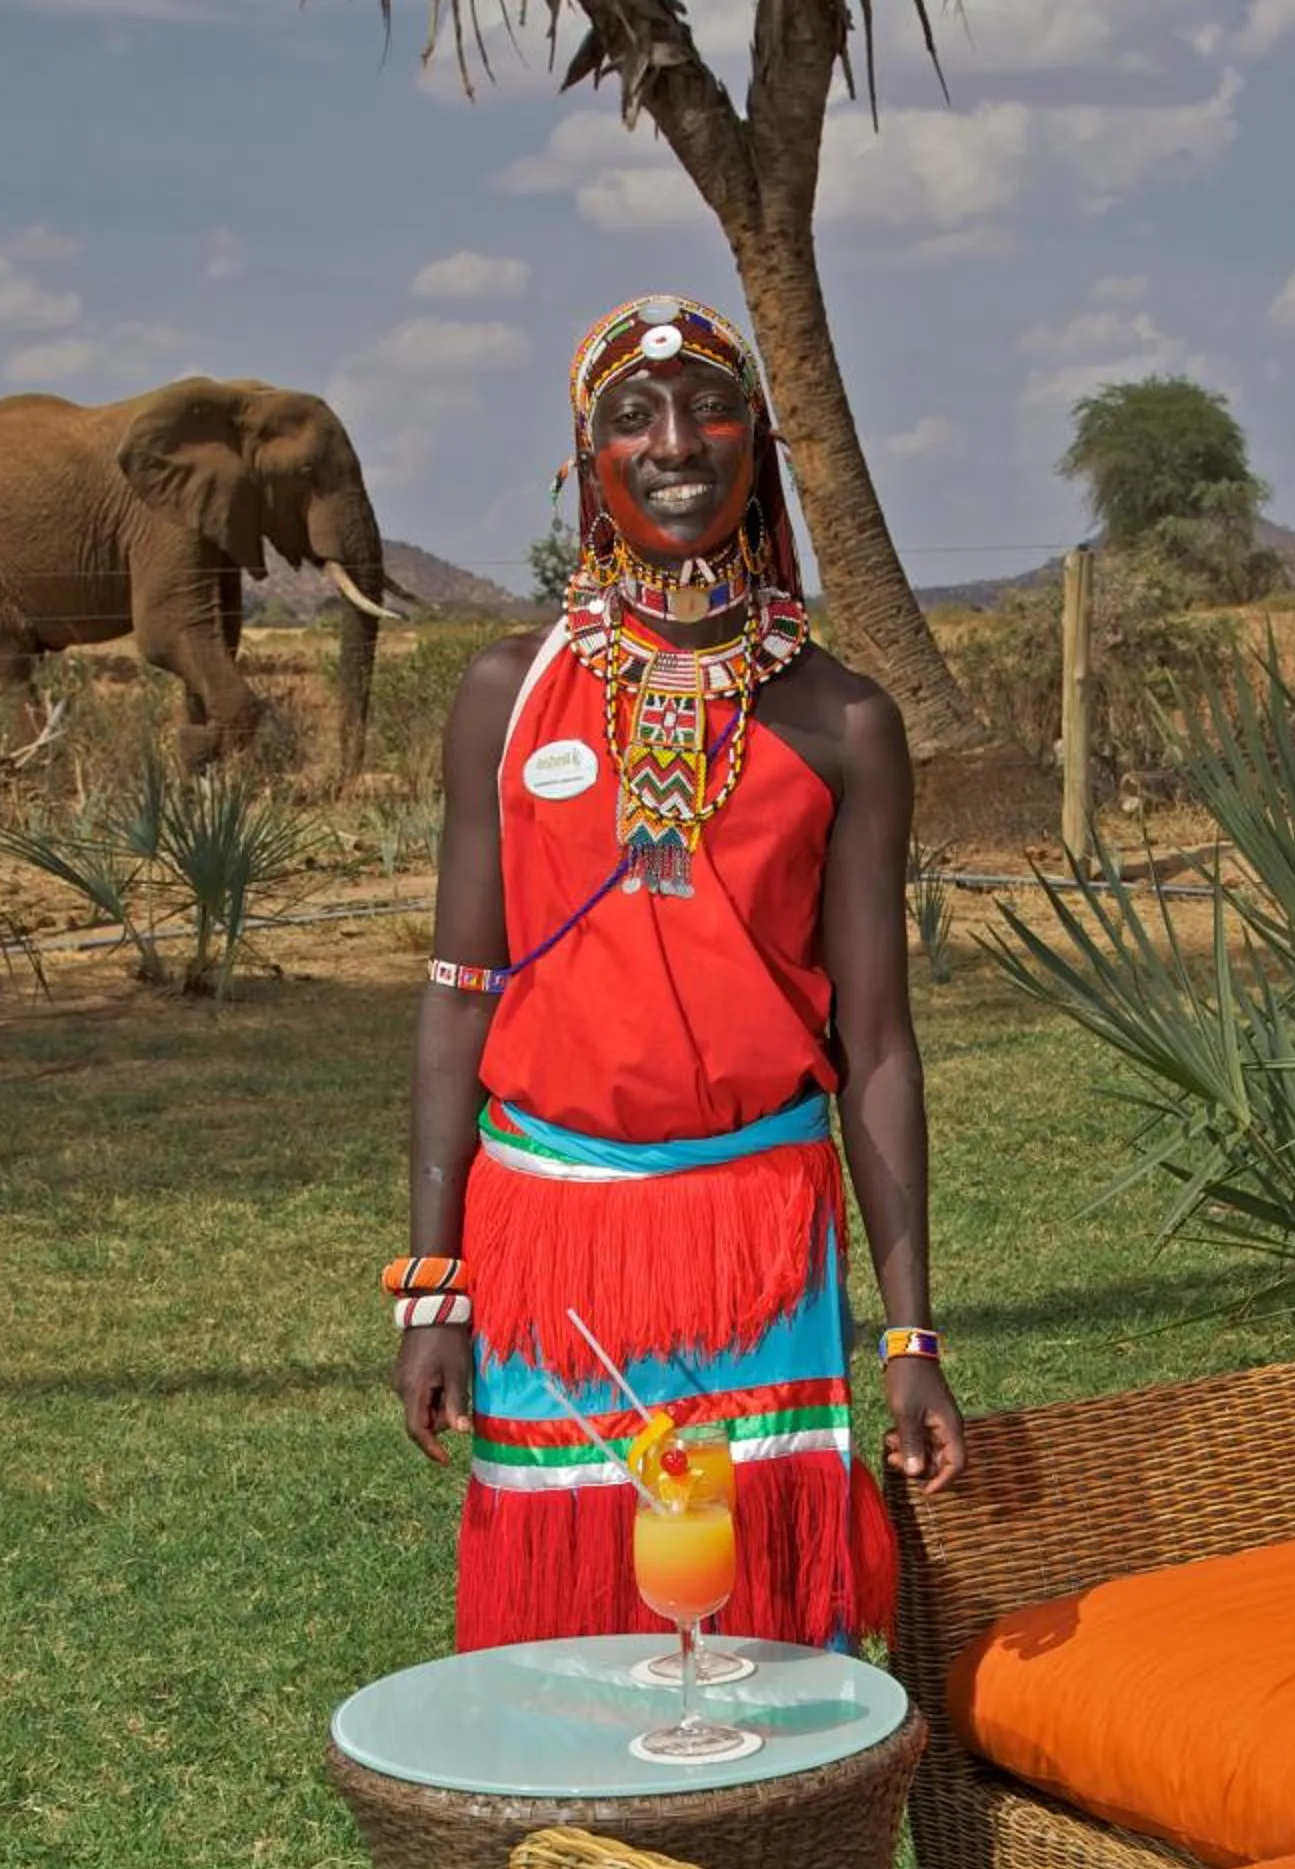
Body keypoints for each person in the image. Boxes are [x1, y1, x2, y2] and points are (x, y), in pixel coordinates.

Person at [391, 291, 963, 1652]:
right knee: (565, 1628)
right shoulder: (506, 693)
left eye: (709, 409)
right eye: (630, 417)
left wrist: (910, 1339)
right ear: (583, 460)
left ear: (755, 442)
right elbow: (457, 991)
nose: (674, 443)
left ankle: (772, 1868)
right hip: (550, 1232)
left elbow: (875, 1047)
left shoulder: (842, 722)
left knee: (757, 1632)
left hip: (759, 1235)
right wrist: (434, 1286)